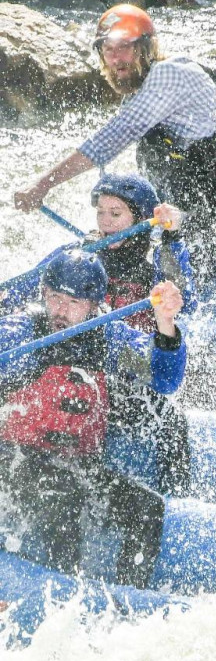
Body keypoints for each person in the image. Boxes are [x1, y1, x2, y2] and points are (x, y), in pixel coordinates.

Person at [14, 3, 216, 325]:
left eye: (125, 48)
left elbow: (109, 139)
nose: (116, 58)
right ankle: (177, 332)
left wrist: (43, 185)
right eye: (108, 50)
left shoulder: (169, 75)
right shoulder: (138, 101)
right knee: (179, 250)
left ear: (147, 48)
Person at [0, 249, 186, 588]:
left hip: (77, 463)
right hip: (13, 459)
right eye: (54, 298)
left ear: (93, 306)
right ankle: (61, 596)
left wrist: (165, 324)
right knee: (63, 493)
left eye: (73, 303)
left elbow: (164, 378)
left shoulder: (107, 338)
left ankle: (131, 594)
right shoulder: (22, 330)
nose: (60, 311)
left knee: (147, 509)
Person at [5, 174, 195, 495]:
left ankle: (175, 497)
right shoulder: (79, 253)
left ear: (141, 219)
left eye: (116, 214)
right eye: (101, 212)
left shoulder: (154, 266)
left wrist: (173, 235)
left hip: (125, 366)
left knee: (172, 421)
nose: (106, 222)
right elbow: (25, 290)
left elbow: (182, 297)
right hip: (81, 362)